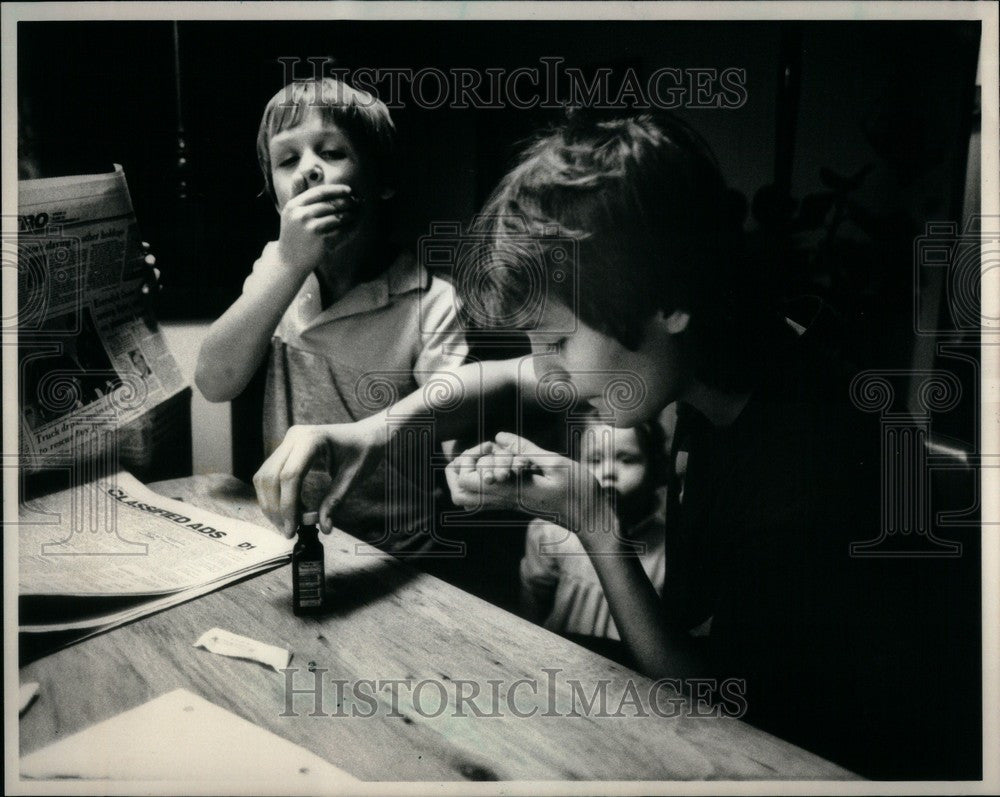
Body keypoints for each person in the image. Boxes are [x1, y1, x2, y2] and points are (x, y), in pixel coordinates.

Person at [445, 110, 971, 778]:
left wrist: (592, 517)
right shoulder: (716, 379)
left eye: (558, 342)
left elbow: (723, 713)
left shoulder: (810, 464)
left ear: (666, 298)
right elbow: (692, 623)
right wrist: (382, 427)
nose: (548, 379)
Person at [195, 77, 468, 551]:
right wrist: (286, 264)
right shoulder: (276, 272)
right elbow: (215, 381)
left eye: (332, 152)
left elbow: (457, 422)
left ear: (381, 181)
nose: (308, 171)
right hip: (297, 538)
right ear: (278, 198)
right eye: (287, 160)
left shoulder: (432, 301)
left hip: (399, 552)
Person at [520, 417, 669, 665]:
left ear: (657, 469)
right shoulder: (550, 533)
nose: (608, 471)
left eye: (627, 459)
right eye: (595, 460)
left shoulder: (670, 550)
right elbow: (532, 603)